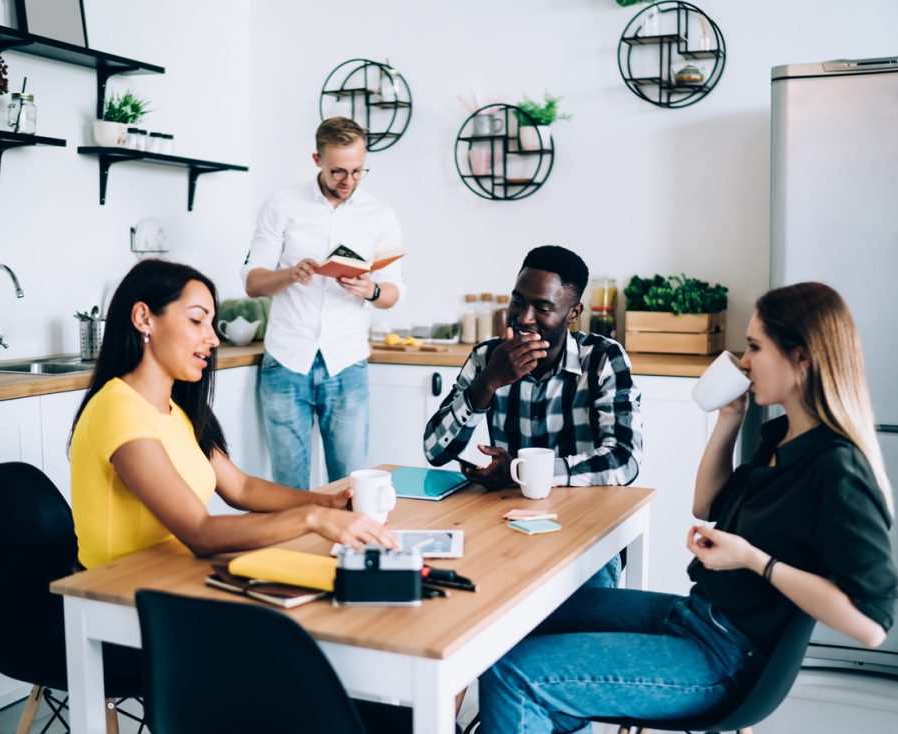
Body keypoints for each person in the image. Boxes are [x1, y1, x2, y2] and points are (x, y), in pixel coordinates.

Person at [477, 282, 898, 733]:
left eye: (755, 348)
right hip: (698, 617)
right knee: (518, 619)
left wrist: (755, 561)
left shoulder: (838, 469)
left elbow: (871, 625)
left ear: (802, 359)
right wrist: (729, 420)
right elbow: (706, 504)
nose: (742, 362)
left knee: (513, 674)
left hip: (724, 658)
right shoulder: (784, 438)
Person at [69, 259, 395, 570]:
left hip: (172, 574)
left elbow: (241, 488)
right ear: (143, 318)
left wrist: (328, 504)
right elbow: (199, 532)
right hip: (115, 594)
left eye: (211, 323)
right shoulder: (118, 409)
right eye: (197, 320)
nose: (212, 339)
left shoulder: (178, 410)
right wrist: (313, 518)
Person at [422, 245, 642, 588]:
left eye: (542, 307)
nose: (524, 317)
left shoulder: (602, 358)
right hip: (505, 525)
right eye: (518, 301)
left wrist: (519, 472)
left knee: (579, 618)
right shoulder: (487, 358)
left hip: (584, 530)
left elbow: (623, 460)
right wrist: (487, 383)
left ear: (573, 312)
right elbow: (435, 451)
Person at [242, 116, 404, 489]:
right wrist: (290, 275)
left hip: (346, 363)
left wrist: (372, 291)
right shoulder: (281, 205)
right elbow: (253, 282)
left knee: (349, 486)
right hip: (286, 361)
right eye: (337, 172)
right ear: (317, 160)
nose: (348, 181)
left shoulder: (380, 215)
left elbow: (393, 291)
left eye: (358, 171)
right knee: (288, 490)